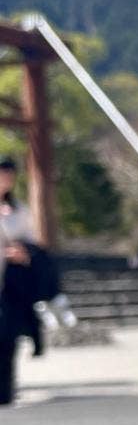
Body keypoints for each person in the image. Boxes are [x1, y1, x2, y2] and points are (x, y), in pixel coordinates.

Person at [0, 156, 56, 404]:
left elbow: (31, 241)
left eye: (9, 176)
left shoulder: (19, 210)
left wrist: (23, 252)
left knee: (8, 336)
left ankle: (6, 389)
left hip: (11, 284)